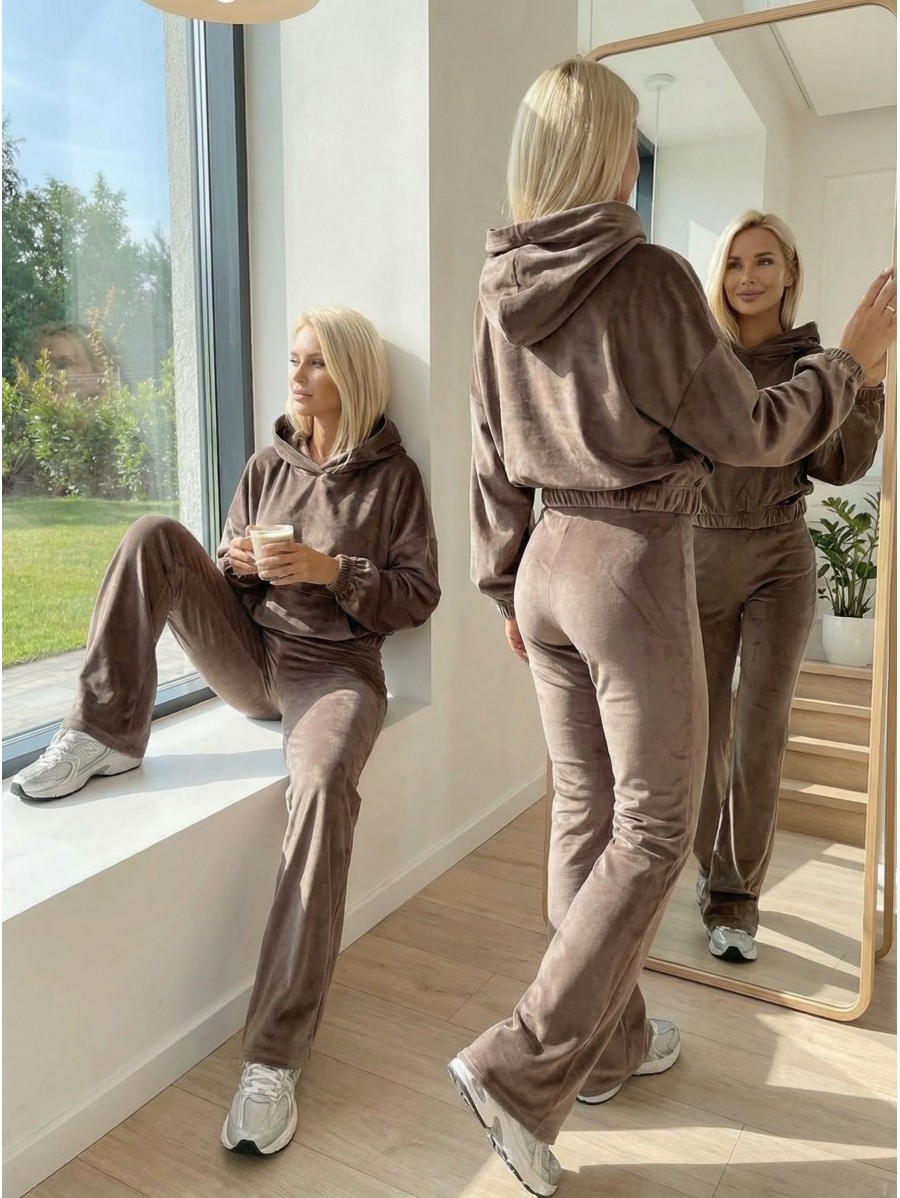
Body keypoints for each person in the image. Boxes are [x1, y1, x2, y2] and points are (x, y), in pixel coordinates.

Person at [446, 57, 894, 1197]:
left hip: (544, 565)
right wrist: (847, 363)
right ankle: (520, 1068)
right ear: (603, 149)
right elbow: (751, 431)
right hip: (633, 563)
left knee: (587, 817)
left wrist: (503, 583)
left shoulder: (501, 282)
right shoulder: (641, 272)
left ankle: (612, 1045)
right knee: (651, 831)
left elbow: (488, 449)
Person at [11, 306, 440, 1156]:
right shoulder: (265, 462)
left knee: (323, 787)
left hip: (336, 672)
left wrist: (331, 570)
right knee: (153, 536)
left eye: (314, 363)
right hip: (251, 653)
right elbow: (226, 572)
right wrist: (239, 565)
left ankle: (272, 1060)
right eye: (294, 359)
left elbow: (417, 597)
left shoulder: (396, 479)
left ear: (352, 375)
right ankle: (104, 732)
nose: (296, 376)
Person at [693, 211, 885, 963]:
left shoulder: (816, 363)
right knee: (702, 732)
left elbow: (840, 466)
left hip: (780, 556)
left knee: (760, 735)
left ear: (790, 271)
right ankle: (705, 870)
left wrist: (866, 383)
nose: (748, 276)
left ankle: (736, 900)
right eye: (736, 262)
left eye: (764, 260)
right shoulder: (700, 355)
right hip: (700, 553)